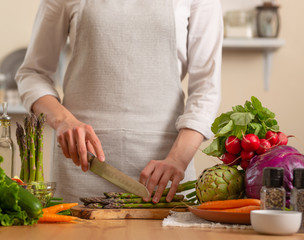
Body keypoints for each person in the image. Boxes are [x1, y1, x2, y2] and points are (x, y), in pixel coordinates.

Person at [15, 0, 223, 203]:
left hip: (166, 169)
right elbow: (33, 73)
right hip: (82, 163)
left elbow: (206, 86)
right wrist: (63, 121)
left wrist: (178, 158)